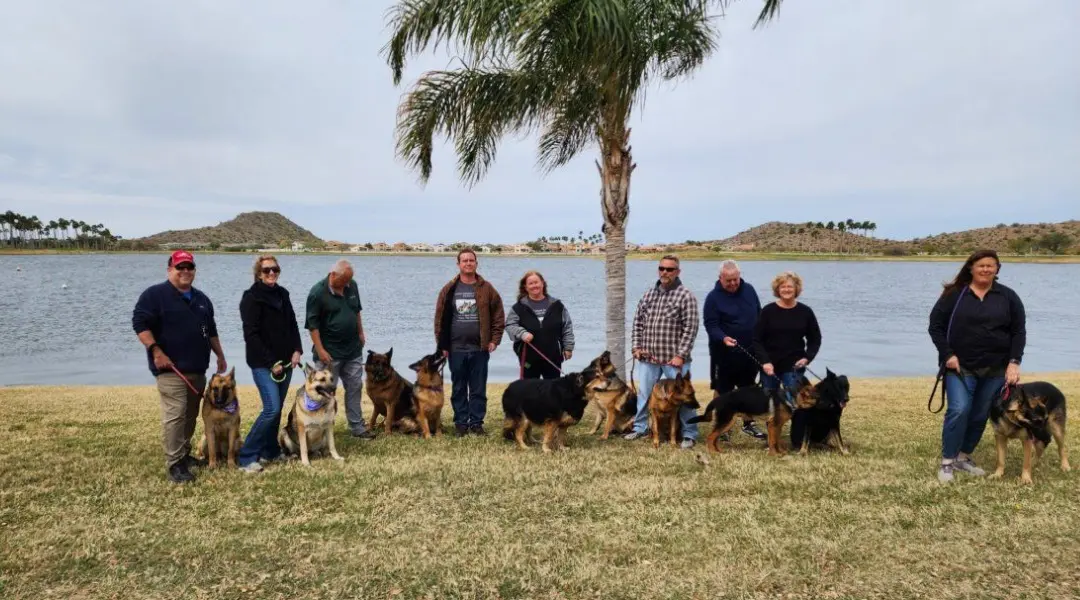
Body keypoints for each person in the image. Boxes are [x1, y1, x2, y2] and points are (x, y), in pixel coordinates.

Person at [928, 249, 1025, 484]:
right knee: (959, 409)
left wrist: (1014, 362)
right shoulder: (954, 295)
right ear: (971, 268)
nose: (986, 269)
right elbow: (935, 326)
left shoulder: (1008, 297)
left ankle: (963, 456)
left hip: (995, 369)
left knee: (980, 413)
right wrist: (948, 354)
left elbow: (1018, 332)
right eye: (981, 265)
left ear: (997, 269)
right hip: (960, 366)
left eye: (991, 265)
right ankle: (948, 462)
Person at [132, 250, 227, 484]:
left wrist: (220, 355)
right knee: (175, 415)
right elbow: (140, 323)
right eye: (180, 267)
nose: (185, 271)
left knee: (190, 416)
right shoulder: (154, 295)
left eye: (189, 267)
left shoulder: (202, 299)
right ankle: (175, 464)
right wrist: (155, 350)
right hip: (170, 370)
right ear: (169, 270)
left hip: (198, 369)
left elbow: (211, 330)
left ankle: (184, 455)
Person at [624, 255, 700, 449]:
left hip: (674, 360)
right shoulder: (649, 294)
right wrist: (636, 347)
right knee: (645, 394)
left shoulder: (686, 296)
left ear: (678, 272)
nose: (665, 272)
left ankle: (689, 434)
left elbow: (690, 328)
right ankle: (640, 428)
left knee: (684, 396)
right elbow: (638, 322)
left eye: (670, 269)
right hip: (648, 358)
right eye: (662, 268)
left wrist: (680, 355)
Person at [237, 255, 303, 473]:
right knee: (271, 408)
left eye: (275, 270)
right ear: (258, 273)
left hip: (286, 362)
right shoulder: (251, 298)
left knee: (277, 409)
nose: (272, 274)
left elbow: (292, 323)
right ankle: (247, 456)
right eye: (267, 270)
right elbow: (251, 335)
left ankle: (270, 451)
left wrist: (297, 350)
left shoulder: (283, 294)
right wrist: (270, 362)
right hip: (263, 364)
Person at [435, 248, 505, 436]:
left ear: (476, 263)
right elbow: (439, 319)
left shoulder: (486, 288)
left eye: (471, 260)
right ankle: (460, 423)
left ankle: (476, 423)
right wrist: (442, 345)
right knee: (458, 388)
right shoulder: (449, 289)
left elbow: (498, 315)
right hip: (455, 348)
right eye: (464, 260)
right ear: (458, 264)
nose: (468, 263)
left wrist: (495, 340)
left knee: (478, 388)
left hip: (480, 348)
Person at [752, 271, 822, 449]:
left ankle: (797, 441)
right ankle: (772, 442)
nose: (786, 289)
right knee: (771, 407)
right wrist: (765, 362)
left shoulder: (805, 312)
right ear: (777, 289)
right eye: (783, 286)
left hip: (794, 368)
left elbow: (815, 339)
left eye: (790, 286)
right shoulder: (768, 311)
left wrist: (807, 358)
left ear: (796, 289)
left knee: (796, 405)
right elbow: (756, 340)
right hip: (770, 367)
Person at [305, 259, 374, 439]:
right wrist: (320, 350)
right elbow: (312, 326)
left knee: (355, 387)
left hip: (352, 350)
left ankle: (357, 427)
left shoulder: (352, 286)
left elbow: (356, 311)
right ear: (333, 275)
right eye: (343, 282)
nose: (346, 285)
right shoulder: (317, 293)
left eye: (349, 281)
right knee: (324, 392)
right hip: (329, 353)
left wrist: (361, 333)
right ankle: (317, 430)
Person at [703, 259, 766, 441]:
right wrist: (723, 338)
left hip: (750, 351)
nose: (732, 284)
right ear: (720, 278)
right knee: (723, 390)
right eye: (728, 280)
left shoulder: (750, 290)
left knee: (748, 388)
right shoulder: (713, 298)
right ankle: (722, 425)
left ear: (740, 276)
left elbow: (759, 314)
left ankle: (748, 423)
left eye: (735, 279)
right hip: (723, 354)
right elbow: (711, 325)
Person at [505, 270, 575, 379]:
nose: (534, 286)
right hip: (528, 359)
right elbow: (510, 325)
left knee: (552, 391)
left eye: (536, 282)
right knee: (530, 392)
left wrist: (568, 347)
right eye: (530, 283)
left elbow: (567, 327)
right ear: (525, 287)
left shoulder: (557, 305)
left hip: (553, 357)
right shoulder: (518, 307)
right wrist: (522, 333)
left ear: (542, 283)